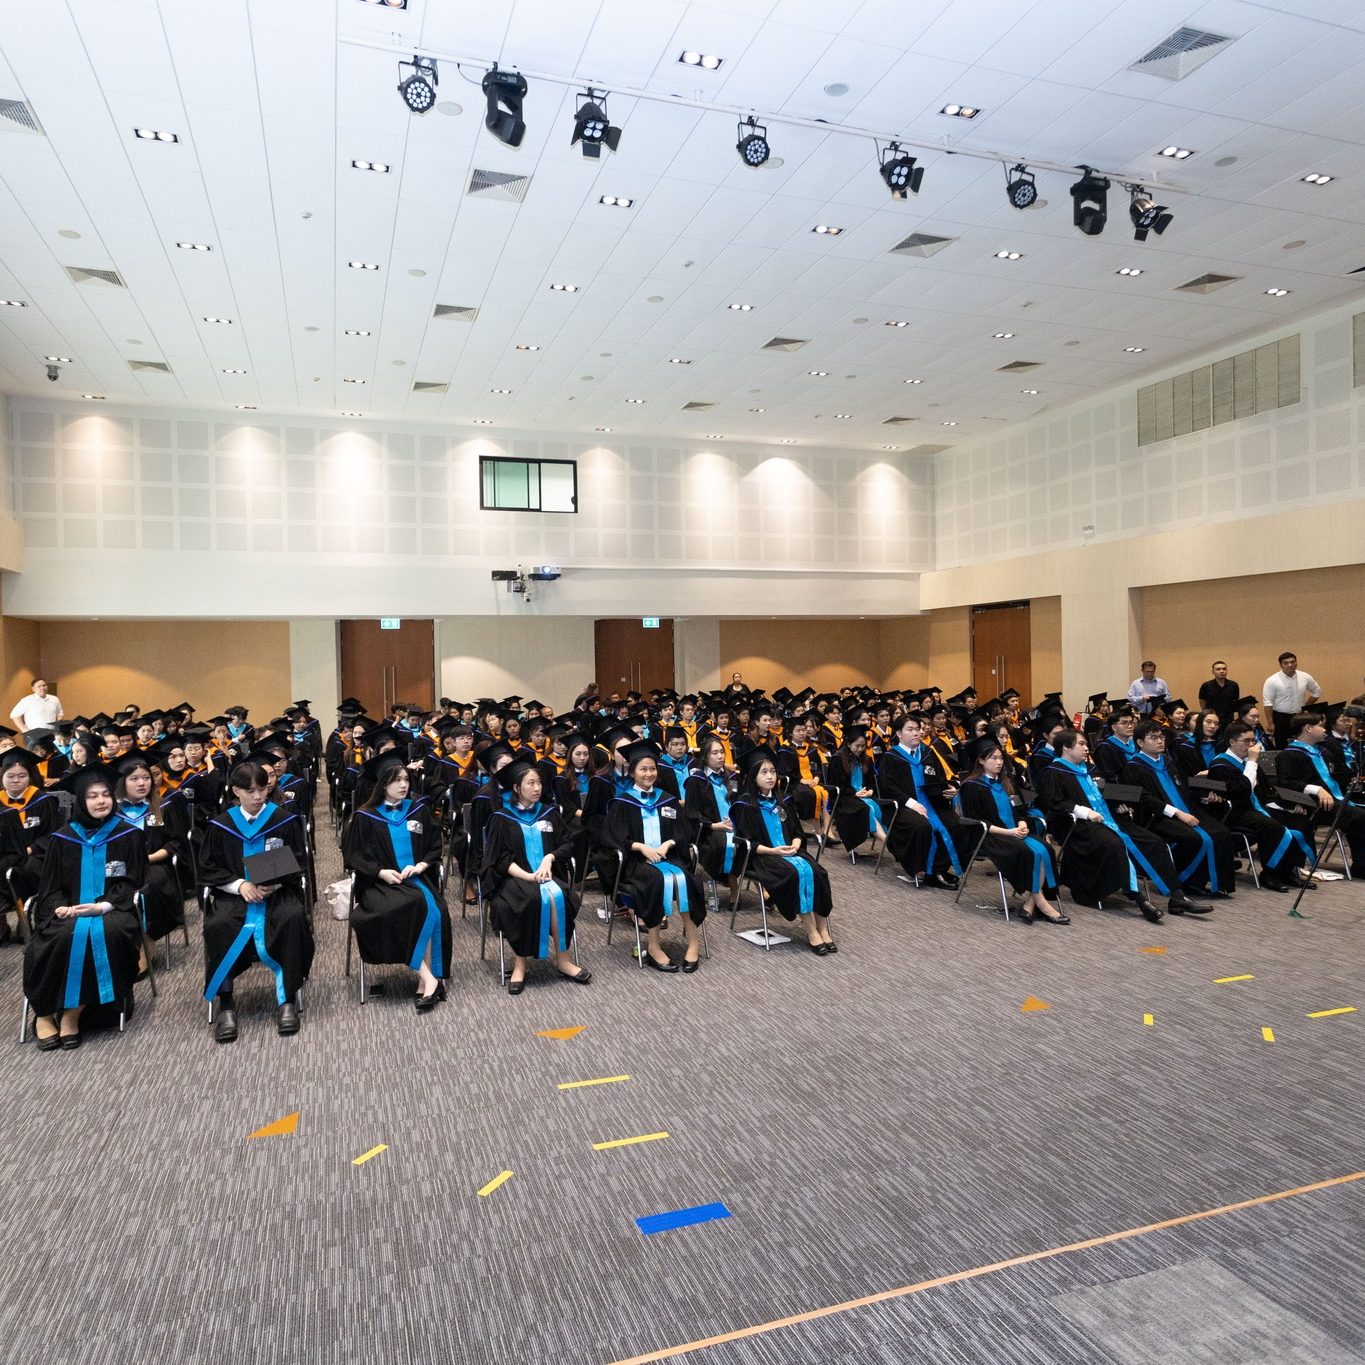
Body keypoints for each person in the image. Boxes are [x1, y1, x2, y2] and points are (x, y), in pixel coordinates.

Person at [21, 765, 146, 1050]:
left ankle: (73, 1014)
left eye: (105, 795)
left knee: (108, 934)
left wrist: (103, 907)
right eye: (92, 796)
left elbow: (133, 881)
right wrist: (60, 908)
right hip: (68, 910)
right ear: (80, 801)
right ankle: (43, 1012)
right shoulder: (62, 838)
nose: (101, 801)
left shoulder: (128, 835)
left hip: (112, 910)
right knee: (58, 936)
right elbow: (50, 888)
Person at [199, 761, 314, 1042]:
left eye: (262, 789)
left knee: (291, 917)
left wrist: (274, 882)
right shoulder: (221, 825)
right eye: (250, 791)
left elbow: (299, 861)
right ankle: (226, 1002)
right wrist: (240, 885)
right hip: (234, 897)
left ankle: (287, 1000)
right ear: (235, 791)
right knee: (219, 923)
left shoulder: (283, 820)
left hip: (277, 893)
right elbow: (208, 868)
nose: (258, 796)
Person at [1043, 729, 1187, 923]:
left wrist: (1118, 804)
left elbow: (1106, 792)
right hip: (1079, 825)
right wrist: (1085, 812)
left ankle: (1177, 896)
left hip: (1110, 819)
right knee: (1114, 843)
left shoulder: (1091, 769)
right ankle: (1138, 897)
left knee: (1153, 841)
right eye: (1081, 744)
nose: (1086, 748)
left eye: (1086, 744)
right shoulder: (1054, 772)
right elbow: (1055, 802)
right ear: (1066, 748)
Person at [343, 753, 450, 1010]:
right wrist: (381, 872)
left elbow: (434, 846)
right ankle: (429, 977)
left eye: (406, 779)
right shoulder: (365, 816)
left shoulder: (419, 810)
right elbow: (355, 856)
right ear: (382, 784)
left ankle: (426, 980)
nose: (403, 785)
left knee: (434, 908)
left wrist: (420, 866)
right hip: (379, 884)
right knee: (403, 907)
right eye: (396, 780)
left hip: (417, 879)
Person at [481, 758, 590, 995]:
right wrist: (528, 876)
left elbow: (567, 843)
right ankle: (520, 964)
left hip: (547, 875)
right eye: (530, 783)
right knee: (528, 901)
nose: (537, 788)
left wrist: (550, 858)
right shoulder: (501, 818)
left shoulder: (549, 813)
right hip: (513, 878)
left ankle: (563, 960)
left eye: (539, 782)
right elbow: (499, 859)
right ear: (516, 788)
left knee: (562, 897)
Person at [602, 740, 705, 973]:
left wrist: (668, 844)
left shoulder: (667, 799)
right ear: (632, 772)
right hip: (637, 862)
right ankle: (654, 946)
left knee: (689, 881)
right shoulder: (622, 803)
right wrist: (640, 847)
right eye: (643, 769)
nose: (649, 774)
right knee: (655, 881)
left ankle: (694, 943)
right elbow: (612, 838)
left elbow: (683, 832)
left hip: (669, 857)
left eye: (652, 769)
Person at [729, 748, 836, 953]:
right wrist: (774, 851)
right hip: (763, 856)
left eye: (772, 771)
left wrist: (795, 843)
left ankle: (823, 929)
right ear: (753, 777)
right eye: (764, 772)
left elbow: (797, 831)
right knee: (793, 874)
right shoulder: (744, 805)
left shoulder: (783, 800)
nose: (770, 776)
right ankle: (811, 930)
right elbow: (746, 843)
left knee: (818, 873)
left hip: (791, 851)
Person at [956, 739, 1068, 924]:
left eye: (1001, 758)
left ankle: (1030, 904)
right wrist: (1010, 833)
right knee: (1026, 851)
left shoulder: (1007, 783)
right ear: (981, 760)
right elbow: (978, 822)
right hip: (990, 836)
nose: (999, 762)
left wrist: (1022, 823)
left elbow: (1019, 810)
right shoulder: (972, 786)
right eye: (993, 758)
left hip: (1015, 831)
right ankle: (1041, 902)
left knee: (1046, 849)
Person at [1123, 721, 1234, 901]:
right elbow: (1143, 799)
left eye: (1161, 737)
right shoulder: (1133, 767)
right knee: (1193, 838)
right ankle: (1184, 881)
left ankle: (1215, 883)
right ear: (1140, 742)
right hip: (1157, 816)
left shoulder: (1168, 761)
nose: (1160, 741)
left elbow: (1186, 784)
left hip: (1186, 809)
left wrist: (1204, 795)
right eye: (1154, 738)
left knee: (1221, 832)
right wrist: (1177, 813)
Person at [1209, 722, 1311, 892]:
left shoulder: (1249, 762)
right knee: (1271, 826)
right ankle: (1270, 874)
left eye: (1253, 740)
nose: (1251, 745)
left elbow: (1266, 793)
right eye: (1246, 741)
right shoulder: (1220, 765)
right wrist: (1252, 762)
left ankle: (1290, 871)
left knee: (1297, 819)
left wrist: (1285, 807)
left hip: (1255, 807)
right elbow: (1241, 791)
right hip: (1236, 812)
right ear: (1232, 742)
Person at [877, 712, 970, 889]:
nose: (916, 733)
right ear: (899, 733)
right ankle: (925, 871)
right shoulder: (891, 757)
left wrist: (949, 789)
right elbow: (888, 788)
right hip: (904, 806)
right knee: (922, 826)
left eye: (918, 729)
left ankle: (938, 869)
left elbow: (940, 778)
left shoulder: (928, 753)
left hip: (933, 803)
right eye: (910, 729)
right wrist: (913, 804)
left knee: (956, 824)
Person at [1276, 712, 1365, 878]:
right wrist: (1316, 789)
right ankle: (1361, 866)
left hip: (1336, 798)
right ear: (1308, 728)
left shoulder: (1324, 752)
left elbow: (1337, 776)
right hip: (1313, 804)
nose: (1325, 730)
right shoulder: (1289, 755)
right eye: (1321, 726)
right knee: (1359, 816)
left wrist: (1353, 782)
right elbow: (1286, 783)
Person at [114, 753, 189, 943]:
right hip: (119, 867)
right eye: (134, 779)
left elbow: (175, 843)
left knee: (149, 886)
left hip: (154, 864)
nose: (142, 783)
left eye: (146, 778)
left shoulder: (163, 806)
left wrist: (148, 858)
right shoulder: (113, 811)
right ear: (123, 782)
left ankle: (147, 940)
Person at [824, 726, 890, 857]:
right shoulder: (838, 759)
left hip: (865, 796)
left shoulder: (867, 759)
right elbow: (837, 785)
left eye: (863, 746)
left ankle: (888, 838)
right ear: (848, 744)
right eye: (857, 746)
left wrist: (870, 791)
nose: (860, 749)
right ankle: (887, 840)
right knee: (866, 809)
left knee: (883, 807)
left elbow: (873, 782)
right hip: (844, 797)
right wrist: (854, 793)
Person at [1263, 653, 1321, 749]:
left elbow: (1317, 692)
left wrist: (1305, 707)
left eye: (1292, 662)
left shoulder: (1305, 677)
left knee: (1302, 743)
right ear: (1281, 665)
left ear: (1296, 663)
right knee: (1282, 745)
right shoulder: (1272, 680)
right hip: (1281, 718)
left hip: (1299, 716)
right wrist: (1270, 723)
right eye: (1286, 663)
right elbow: (1268, 702)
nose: (1290, 665)